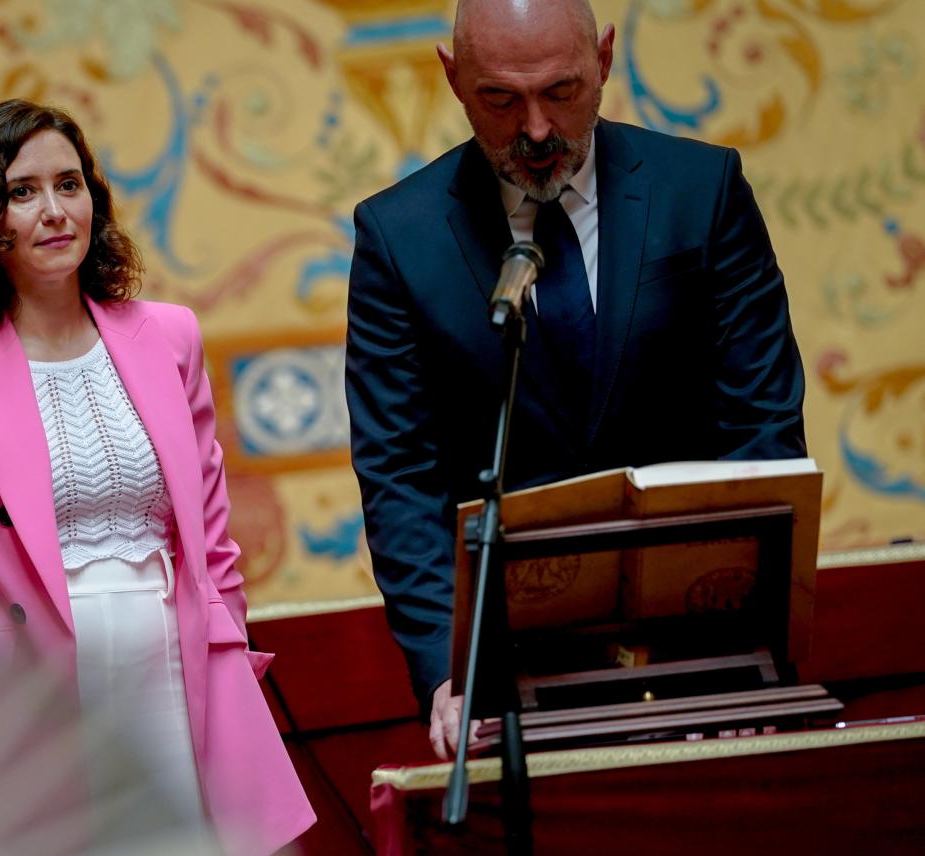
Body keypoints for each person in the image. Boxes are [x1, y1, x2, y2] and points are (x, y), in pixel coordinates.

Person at [0, 99, 314, 856]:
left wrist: (229, 663)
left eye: (70, 185)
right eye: (24, 191)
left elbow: (212, 544)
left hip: (171, 672)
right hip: (23, 695)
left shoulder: (169, 338)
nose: (55, 211)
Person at [344, 0, 806, 758]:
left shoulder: (703, 189)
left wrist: (748, 634)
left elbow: (763, 426)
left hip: (706, 631)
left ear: (605, 62)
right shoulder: (400, 237)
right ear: (453, 79)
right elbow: (400, 475)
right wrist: (443, 673)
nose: (534, 129)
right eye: (500, 98)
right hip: (513, 656)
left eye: (561, 91)